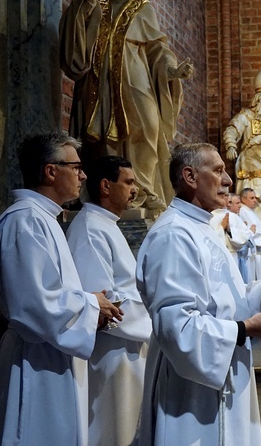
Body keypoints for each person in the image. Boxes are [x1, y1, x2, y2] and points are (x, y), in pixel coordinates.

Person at [135, 143, 261, 445]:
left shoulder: (204, 227)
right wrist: (243, 329)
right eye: (218, 170)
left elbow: (228, 303)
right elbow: (175, 326)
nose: (228, 181)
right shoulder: (173, 234)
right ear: (190, 176)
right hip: (191, 390)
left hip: (224, 369)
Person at [0, 132, 122, 445]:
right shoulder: (25, 220)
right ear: (51, 171)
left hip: (53, 354)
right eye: (76, 167)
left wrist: (92, 303)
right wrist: (92, 304)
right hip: (35, 359)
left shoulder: (45, 217)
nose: (83, 175)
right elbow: (34, 303)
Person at [59, 0, 194, 211]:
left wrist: (173, 70)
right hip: (100, 85)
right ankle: (113, 194)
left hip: (135, 78)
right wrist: (88, 1)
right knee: (104, 140)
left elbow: (157, 49)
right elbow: (77, 37)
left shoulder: (142, 7)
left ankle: (143, 187)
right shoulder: (97, 4)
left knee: (147, 126)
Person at [66, 155, 152, 446]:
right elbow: (102, 300)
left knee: (129, 429)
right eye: (128, 182)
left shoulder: (106, 224)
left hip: (127, 347)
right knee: (113, 431)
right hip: (111, 352)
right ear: (105, 185)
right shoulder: (90, 228)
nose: (135, 189)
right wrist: (155, 313)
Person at [224, 71, 261, 207]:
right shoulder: (246, 116)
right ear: (259, 101)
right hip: (250, 160)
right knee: (253, 189)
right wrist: (231, 145)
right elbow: (232, 129)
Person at [210, 192, 253, 282]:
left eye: (226, 196)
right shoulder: (209, 216)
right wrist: (222, 228)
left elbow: (245, 235)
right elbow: (208, 240)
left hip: (234, 257)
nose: (224, 199)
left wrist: (229, 230)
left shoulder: (233, 216)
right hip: (217, 260)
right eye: (221, 195)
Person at [239, 187, 261, 280]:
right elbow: (247, 231)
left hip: (259, 253)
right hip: (253, 253)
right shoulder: (242, 211)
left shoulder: (250, 212)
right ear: (243, 199)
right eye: (252, 198)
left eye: (255, 198)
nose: (255, 201)